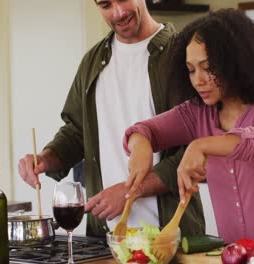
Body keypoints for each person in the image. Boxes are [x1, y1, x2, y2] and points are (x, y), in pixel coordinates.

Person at [123, 8, 254, 249]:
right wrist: (140, 147)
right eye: (191, 69)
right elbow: (144, 131)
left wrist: (202, 145)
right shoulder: (197, 113)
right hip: (236, 256)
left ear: (236, 62)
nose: (198, 80)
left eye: (208, 68)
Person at [17, 0, 205, 237]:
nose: (118, 12)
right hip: (104, 240)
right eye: (105, 4)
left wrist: (130, 191)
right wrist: (46, 158)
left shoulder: (182, 57)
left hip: (171, 237)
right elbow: (76, 132)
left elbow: (197, 150)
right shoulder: (92, 62)